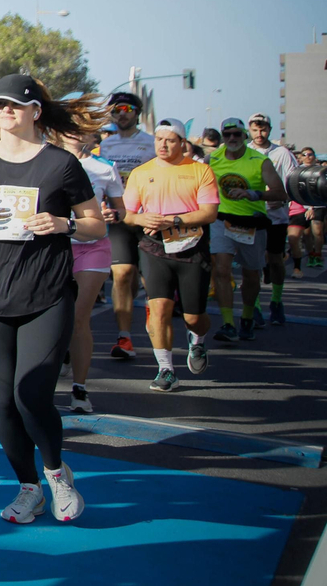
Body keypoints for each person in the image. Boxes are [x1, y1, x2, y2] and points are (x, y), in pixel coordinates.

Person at [0, 76, 106, 523]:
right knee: (2, 403)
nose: (5, 112)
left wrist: (65, 226)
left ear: (36, 111)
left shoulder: (60, 165)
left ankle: (57, 473)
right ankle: (28, 487)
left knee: (31, 395)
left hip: (46, 294)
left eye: (15, 106)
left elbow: (96, 224)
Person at [121, 120, 219, 392]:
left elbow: (209, 213)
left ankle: (197, 341)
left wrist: (172, 220)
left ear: (182, 143)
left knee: (193, 318)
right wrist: (142, 218)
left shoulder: (201, 171)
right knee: (160, 309)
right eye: (158, 139)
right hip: (154, 248)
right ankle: (166, 369)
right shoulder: (141, 173)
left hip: (192, 248)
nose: (163, 145)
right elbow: (128, 215)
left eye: (170, 140)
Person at [58, 130, 125, 413]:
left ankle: (80, 389)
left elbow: (120, 210)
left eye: (80, 128)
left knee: (78, 317)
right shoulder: (48, 159)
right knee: (55, 317)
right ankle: (62, 356)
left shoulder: (105, 168)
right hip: (55, 247)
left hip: (92, 246)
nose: (74, 134)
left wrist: (113, 214)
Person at [207, 118, 286, 342]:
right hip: (222, 221)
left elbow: (280, 193)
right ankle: (228, 323)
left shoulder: (260, 161)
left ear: (245, 136)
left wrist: (255, 194)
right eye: (227, 134)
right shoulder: (212, 159)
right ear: (223, 136)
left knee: (251, 275)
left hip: (252, 223)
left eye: (237, 134)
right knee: (221, 270)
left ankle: (248, 317)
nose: (232, 138)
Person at [99, 92, 156, 362]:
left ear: (137, 113)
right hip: (120, 217)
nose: (121, 114)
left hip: (148, 218)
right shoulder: (106, 147)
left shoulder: (152, 143)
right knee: (121, 275)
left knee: (140, 279)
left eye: (127, 109)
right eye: (116, 110)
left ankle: (143, 309)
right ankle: (124, 336)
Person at [246, 114, 298, 324]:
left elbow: (294, 182)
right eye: (256, 130)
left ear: (270, 129)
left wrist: (282, 198)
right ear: (250, 130)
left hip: (276, 217)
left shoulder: (282, 153)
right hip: (251, 215)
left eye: (264, 129)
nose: (260, 134)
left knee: (275, 260)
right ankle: (255, 306)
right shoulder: (245, 152)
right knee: (254, 263)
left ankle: (276, 301)